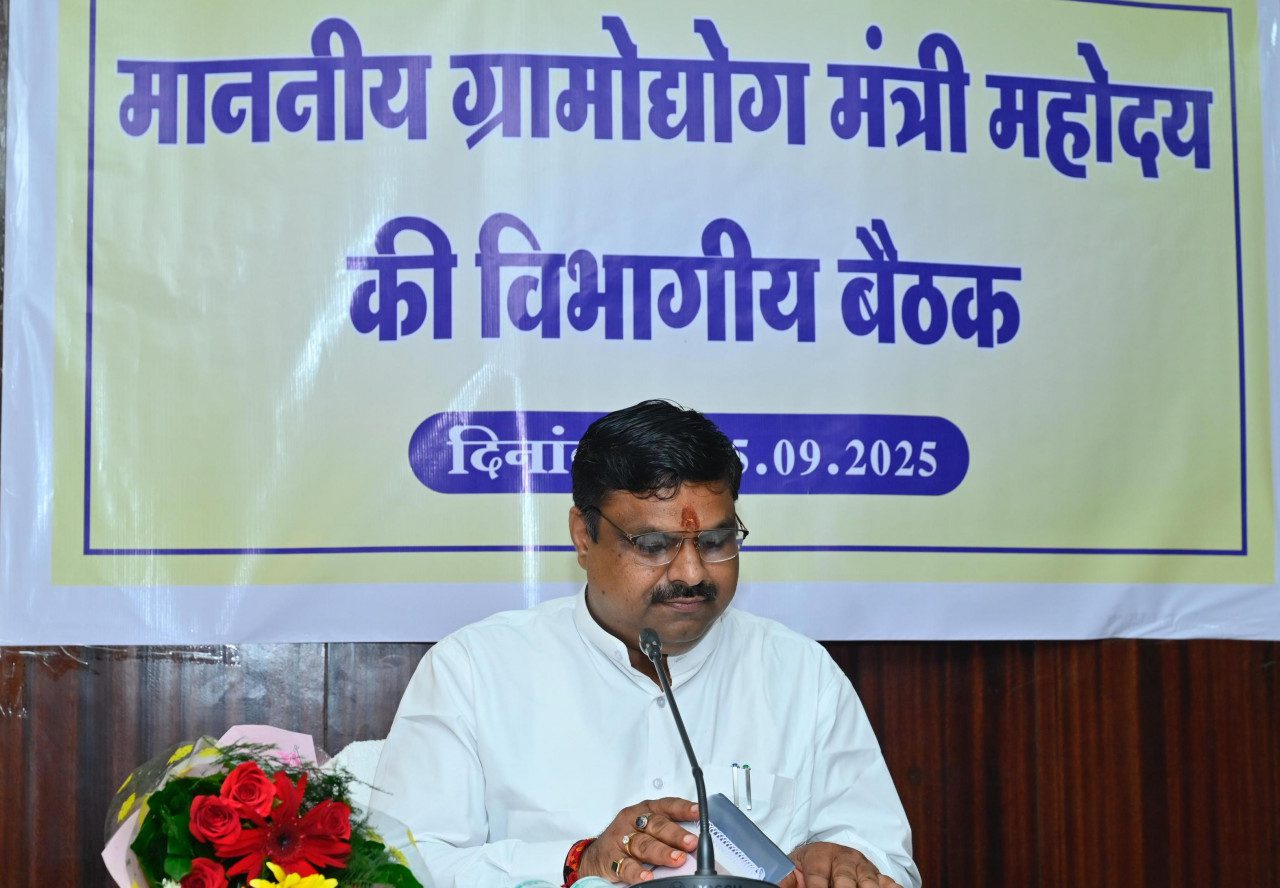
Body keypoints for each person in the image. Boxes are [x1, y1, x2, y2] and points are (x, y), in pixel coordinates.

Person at [373, 400, 920, 888]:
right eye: (654, 545)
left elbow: (885, 857)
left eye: (716, 541)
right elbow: (397, 868)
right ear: (583, 535)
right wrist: (575, 862)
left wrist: (842, 858)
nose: (692, 572)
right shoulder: (473, 671)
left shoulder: (801, 673)